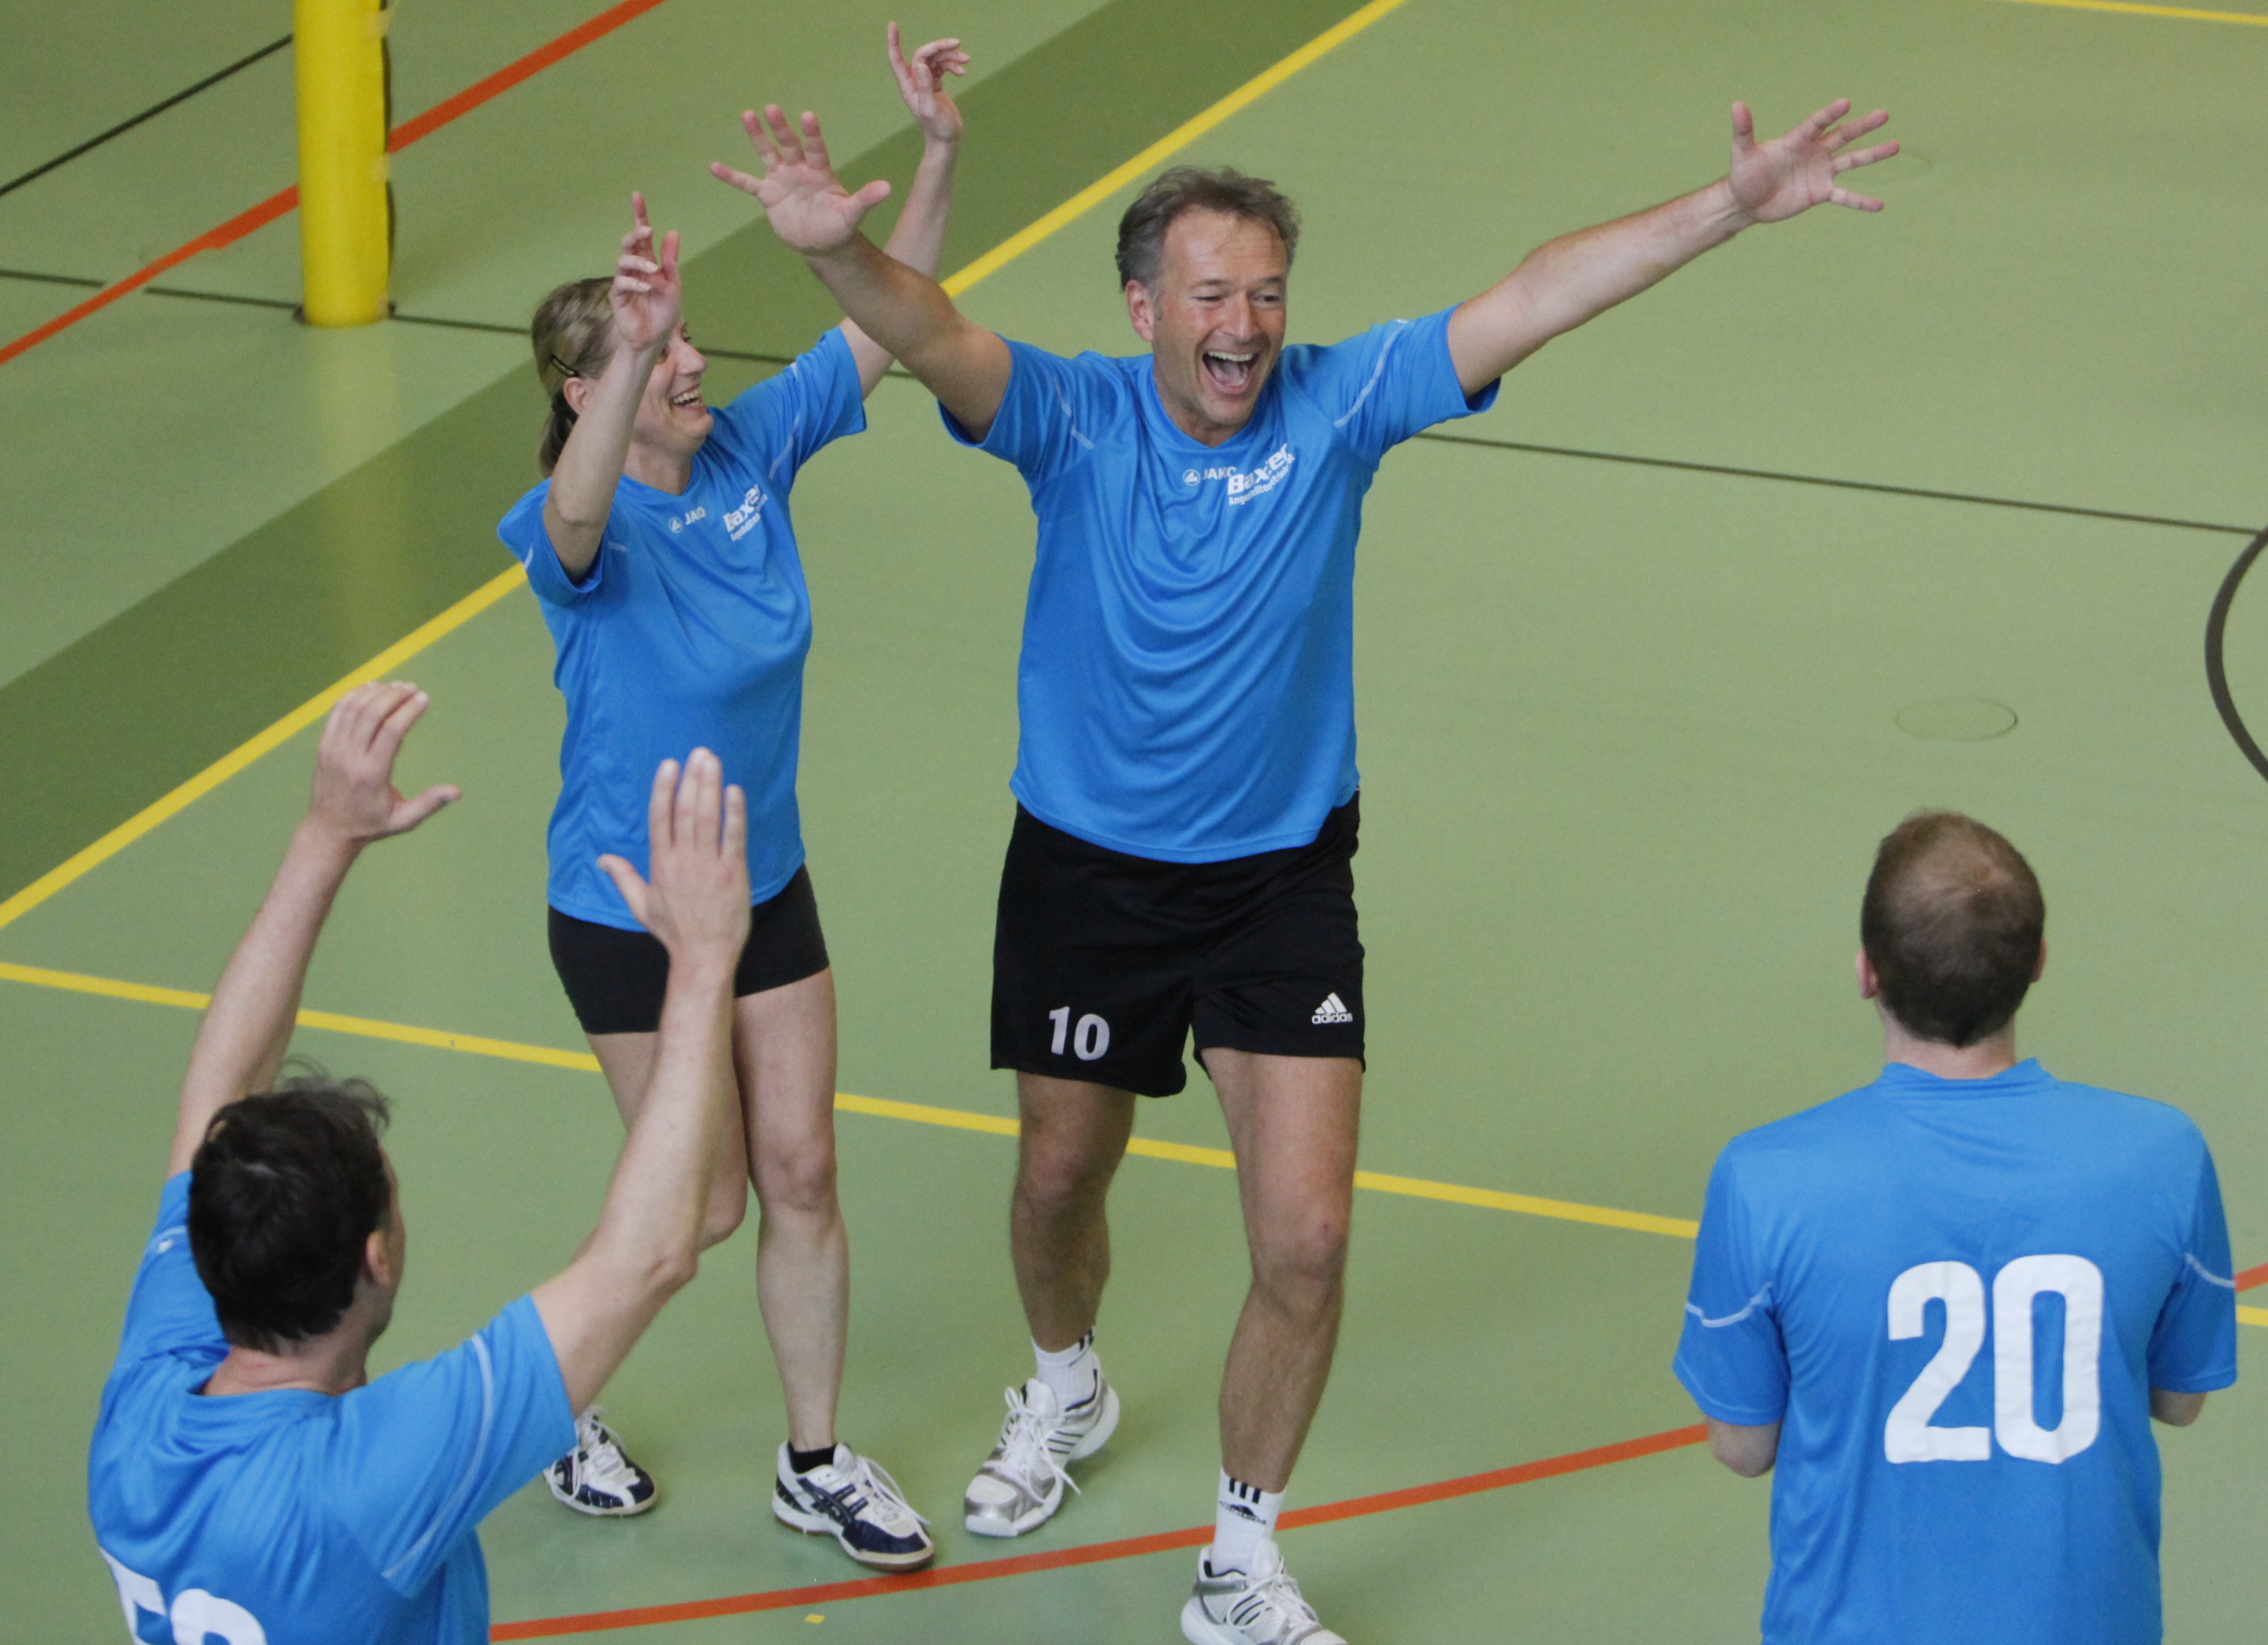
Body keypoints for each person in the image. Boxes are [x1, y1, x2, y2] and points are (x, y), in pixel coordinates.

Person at [718, 81, 1901, 1642]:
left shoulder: (1341, 404)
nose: (1246, 326)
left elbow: (1538, 293)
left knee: (1310, 1234)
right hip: (1086, 872)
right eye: (1213, 294)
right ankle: (1063, 1380)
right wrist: (828, 255)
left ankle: (1240, 1555)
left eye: (1268, 293)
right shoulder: (1072, 417)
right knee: (1059, 1180)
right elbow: (929, 330)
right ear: (1143, 306)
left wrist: (1731, 205)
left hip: (1279, 881)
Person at [494, 26, 967, 1566]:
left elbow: (892, 318)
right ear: (592, 388)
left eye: (690, 342)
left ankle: (815, 1461)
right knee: (693, 1210)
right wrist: (631, 358)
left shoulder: (752, 450)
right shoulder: (574, 533)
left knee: (805, 1172)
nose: (695, 366)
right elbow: (578, 502)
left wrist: (938, 152)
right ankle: (543, 1410)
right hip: (628, 909)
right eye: (659, 355)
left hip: (765, 883)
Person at [86, 680, 753, 1642]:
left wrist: (327, 834)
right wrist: (701, 964)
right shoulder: (370, 1483)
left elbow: (216, 1103)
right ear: (377, 1257)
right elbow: (645, 1256)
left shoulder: (145, 1410)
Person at [1674, 812, 2238, 1644]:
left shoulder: (1764, 1177)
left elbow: (1742, 1446)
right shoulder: (2164, 1154)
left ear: (1867, 972)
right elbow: (2180, 1400)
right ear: (2036, 962)